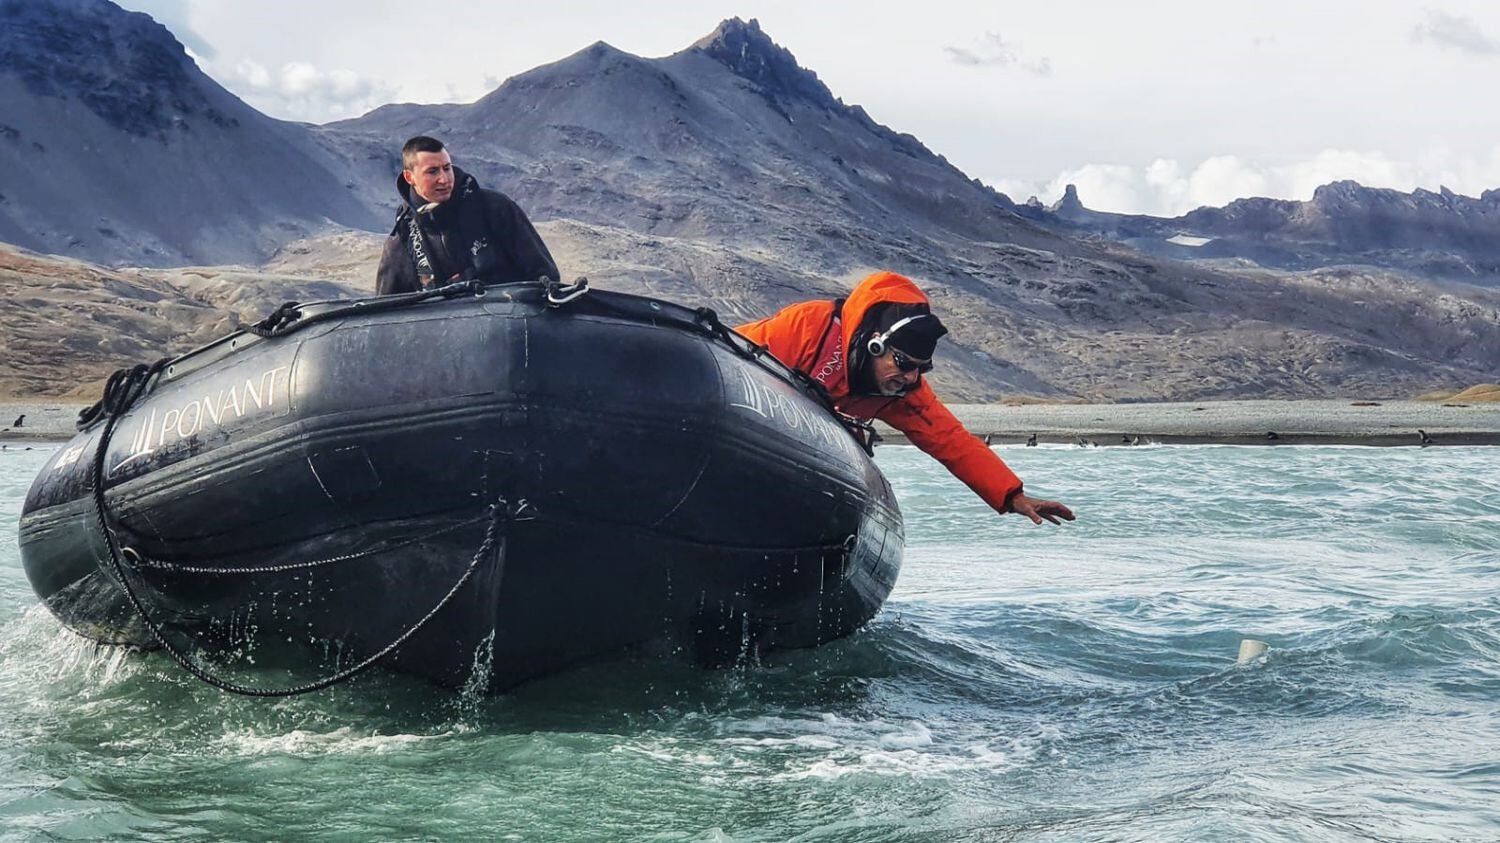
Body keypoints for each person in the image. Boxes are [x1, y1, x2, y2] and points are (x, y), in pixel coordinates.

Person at [736, 271, 1075, 526]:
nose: (911, 378)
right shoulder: (809, 328)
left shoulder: (904, 392)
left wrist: (1011, 495)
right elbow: (725, 355)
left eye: (920, 369)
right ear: (874, 345)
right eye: (903, 364)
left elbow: (951, 440)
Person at [376, 136, 560, 294]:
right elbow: (387, 315)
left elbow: (545, 276)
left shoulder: (495, 208)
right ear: (410, 177)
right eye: (432, 171)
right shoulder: (402, 240)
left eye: (447, 168)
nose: (444, 179)